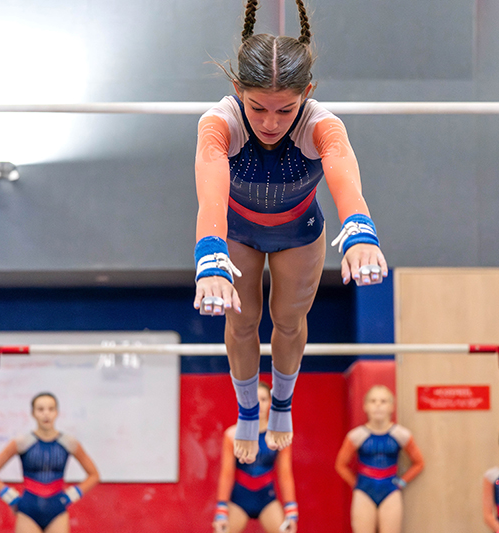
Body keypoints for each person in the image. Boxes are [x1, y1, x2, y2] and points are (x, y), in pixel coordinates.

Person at [193, 0, 388, 465]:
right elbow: (211, 192)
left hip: (299, 230)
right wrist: (209, 254)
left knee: (287, 321)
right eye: (257, 107)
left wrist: (360, 231)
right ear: (238, 88)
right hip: (236, 230)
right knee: (241, 321)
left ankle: (281, 402)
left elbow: (344, 178)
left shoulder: (322, 125)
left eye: (285, 110)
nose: (270, 123)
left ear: (308, 92)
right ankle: (246, 410)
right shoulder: (219, 123)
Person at [0, 392, 100, 533]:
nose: (46, 414)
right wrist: (10, 497)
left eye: (51, 409)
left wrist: (71, 496)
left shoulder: (69, 443)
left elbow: (94, 475)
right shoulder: (22, 442)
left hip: (57, 510)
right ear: (33, 413)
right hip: (28, 511)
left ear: (57, 413)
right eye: (41, 409)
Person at [335, 385, 423, 533]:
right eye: (373, 401)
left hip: (390, 490)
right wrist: (356, 484)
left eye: (383, 401)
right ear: (365, 406)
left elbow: (419, 463)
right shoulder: (356, 436)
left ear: (391, 407)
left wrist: (401, 482)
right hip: (364, 491)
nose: (378, 405)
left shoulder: (401, 434)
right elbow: (340, 465)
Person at [212, 381, 298, 533]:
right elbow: (226, 474)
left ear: (271, 403)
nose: (259, 404)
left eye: (264, 399)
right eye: (255, 399)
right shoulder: (232, 435)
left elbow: (285, 474)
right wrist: (221, 509)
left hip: (267, 499)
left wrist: (291, 510)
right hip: (239, 500)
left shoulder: (280, 436)